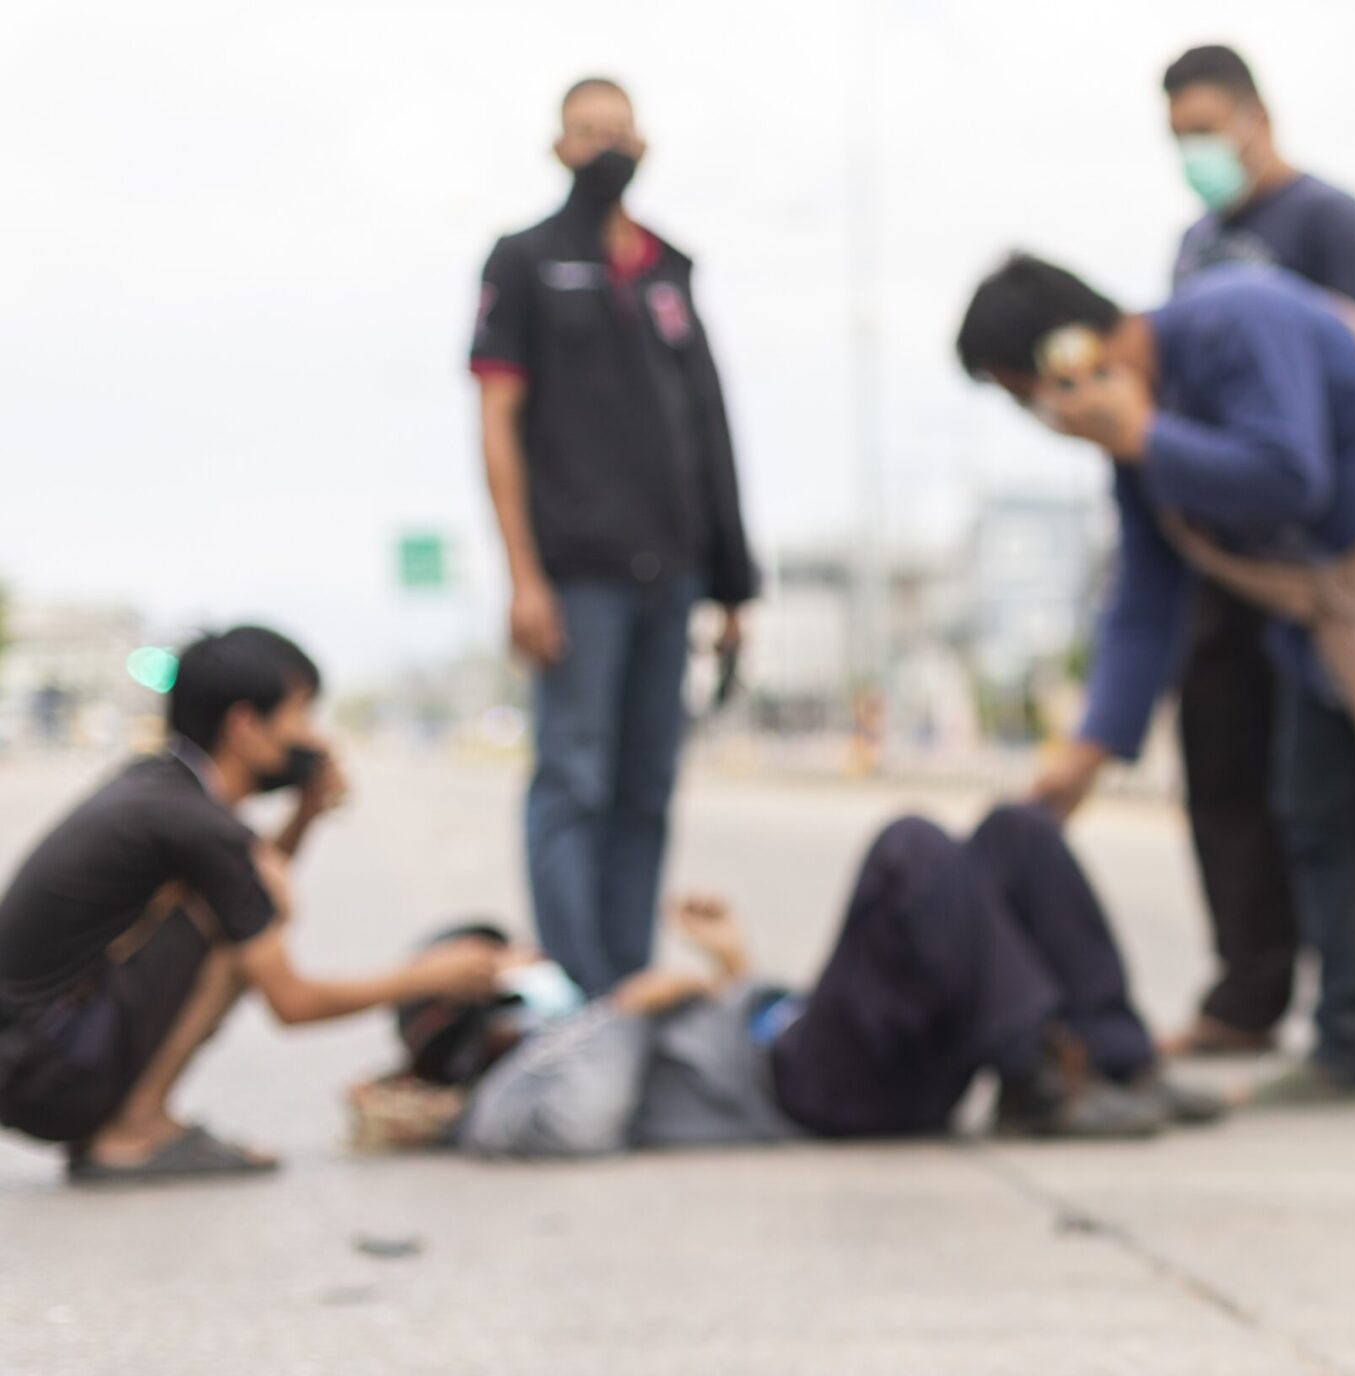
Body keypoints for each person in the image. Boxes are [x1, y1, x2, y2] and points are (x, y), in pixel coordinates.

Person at [958, 253, 1355, 1122]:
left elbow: (1289, 469)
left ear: (1069, 347)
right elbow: (1146, 597)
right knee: (1317, 809)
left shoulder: (1235, 319)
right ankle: (1350, 1048)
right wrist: (1087, 754)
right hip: (1338, 598)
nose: (1043, 415)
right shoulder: (1135, 435)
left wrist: (1146, 439)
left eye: (1026, 391)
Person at [0, 626, 518, 1183]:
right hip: (48, 1076)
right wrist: (427, 975)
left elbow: (246, 884)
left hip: (35, 1060)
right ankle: (132, 1133)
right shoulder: (195, 823)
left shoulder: (163, 787)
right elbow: (289, 1000)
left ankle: (129, 1122)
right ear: (245, 726)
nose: (313, 740)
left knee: (248, 907)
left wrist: (306, 814)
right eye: (300, 715)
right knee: (243, 928)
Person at [430, 802, 1217, 1160]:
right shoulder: (511, 1083)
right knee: (909, 849)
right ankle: (1037, 1076)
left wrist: (735, 970)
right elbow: (577, 1126)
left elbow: (742, 1034)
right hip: (808, 1094)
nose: (520, 961)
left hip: (818, 1048)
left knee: (1015, 832)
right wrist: (624, 1012)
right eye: (492, 964)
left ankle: (1117, 1062)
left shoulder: (570, 1028)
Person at [1153, 42, 1355, 1060]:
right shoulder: (1191, 244)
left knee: (1325, 792)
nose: (1195, 152)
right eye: (1177, 136)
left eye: (1207, 128)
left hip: (1319, 550)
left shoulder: (1327, 219)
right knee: (1219, 767)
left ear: (1256, 118)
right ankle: (1247, 990)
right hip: (1225, 551)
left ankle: (1354, 1006)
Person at [472, 75, 757, 996]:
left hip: (669, 575)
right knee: (574, 779)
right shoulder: (525, 261)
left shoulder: (671, 270)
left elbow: (708, 424)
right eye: (587, 133)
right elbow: (497, 419)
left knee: (645, 789)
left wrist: (733, 581)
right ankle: (576, 991)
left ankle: (628, 984)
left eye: (619, 133)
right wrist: (524, 575)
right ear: (559, 148)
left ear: (646, 146)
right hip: (577, 576)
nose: (605, 148)